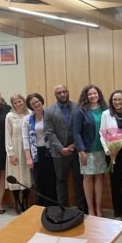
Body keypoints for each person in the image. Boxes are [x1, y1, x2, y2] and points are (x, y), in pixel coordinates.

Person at [44, 84, 87, 213]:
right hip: (59, 152)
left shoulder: (77, 107)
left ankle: (82, 207)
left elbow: (82, 128)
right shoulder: (49, 111)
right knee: (61, 180)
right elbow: (49, 132)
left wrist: (74, 145)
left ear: (68, 92)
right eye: (59, 92)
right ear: (55, 95)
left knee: (79, 179)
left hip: (76, 150)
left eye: (64, 91)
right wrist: (61, 148)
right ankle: (63, 207)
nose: (62, 94)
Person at [73, 85, 107, 216]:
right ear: (86, 96)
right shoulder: (80, 111)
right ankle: (91, 209)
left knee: (99, 177)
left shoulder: (105, 109)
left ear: (99, 94)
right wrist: (81, 151)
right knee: (87, 178)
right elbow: (76, 133)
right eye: (90, 94)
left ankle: (98, 208)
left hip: (102, 150)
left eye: (95, 93)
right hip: (87, 151)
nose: (93, 96)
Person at [99, 90, 122, 221]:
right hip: (113, 153)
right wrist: (108, 150)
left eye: (120, 99)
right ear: (111, 101)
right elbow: (102, 134)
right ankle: (117, 213)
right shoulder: (106, 114)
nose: (118, 102)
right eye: (115, 99)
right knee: (116, 183)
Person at [23, 93, 57, 207]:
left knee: (51, 180)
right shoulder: (27, 119)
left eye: (37, 101)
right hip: (36, 153)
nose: (36, 104)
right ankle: (40, 207)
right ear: (30, 106)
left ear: (41, 101)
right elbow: (26, 139)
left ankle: (52, 206)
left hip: (50, 152)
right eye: (33, 103)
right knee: (39, 182)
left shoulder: (49, 114)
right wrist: (28, 157)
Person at [5, 94, 32, 214]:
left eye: (20, 101)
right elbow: (7, 135)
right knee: (15, 174)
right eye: (15, 103)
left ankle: (25, 200)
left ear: (24, 101)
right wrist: (10, 153)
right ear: (12, 104)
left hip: (28, 148)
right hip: (15, 147)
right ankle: (17, 201)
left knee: (27, 175)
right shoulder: (9, 116)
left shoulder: (30, 113)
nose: (18, 104)